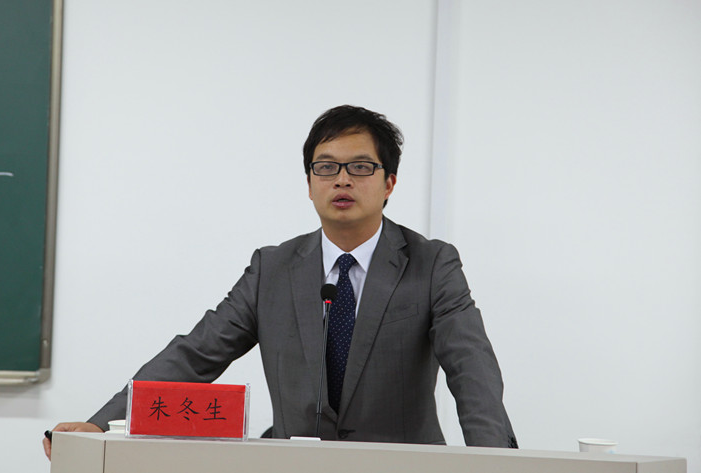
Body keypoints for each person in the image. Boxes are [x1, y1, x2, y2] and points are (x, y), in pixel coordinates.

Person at [43, 105, 517, 460]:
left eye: (360, 167)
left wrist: (496, 462)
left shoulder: (432, 264)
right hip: (291, 465)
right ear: (309, 182)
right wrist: (100, 425)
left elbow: (472, 370)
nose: (342, 180)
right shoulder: (273, 268)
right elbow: (194, 355)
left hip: (401, 467)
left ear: (389, 182)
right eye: (326, 167)